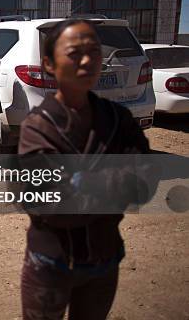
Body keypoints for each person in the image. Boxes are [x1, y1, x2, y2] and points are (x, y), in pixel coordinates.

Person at [18, 19, 151, 320]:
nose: (88, 59)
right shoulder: (38, 127)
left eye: (94, 50)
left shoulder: (119, 120)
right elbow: (52, 206)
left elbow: (144, 186)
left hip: (104, 259)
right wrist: (115, 182)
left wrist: (78, 182)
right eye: (75, 52)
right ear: (50, 64)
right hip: (51, 262)